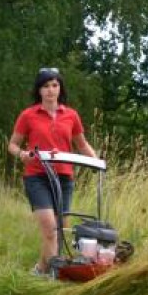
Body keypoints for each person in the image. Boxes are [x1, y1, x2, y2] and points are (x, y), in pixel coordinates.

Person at [7, 67, 98, 276]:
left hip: (64, 177)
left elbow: (82, 145)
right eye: (46, 86)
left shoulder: (71, 115)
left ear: (60, 88)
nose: (50, 90)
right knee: (50, 230)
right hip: (37, 177)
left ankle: (43, 271)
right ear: (39, 90)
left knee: (61, 231)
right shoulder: (28, 115)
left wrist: (97, 162)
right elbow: (12, 145)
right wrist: (22, 154)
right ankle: (49, 274)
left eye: (55, 85)